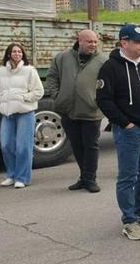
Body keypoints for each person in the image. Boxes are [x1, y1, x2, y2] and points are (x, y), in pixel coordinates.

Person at [97, 24, 140, 241]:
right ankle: (129, 220)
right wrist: (125, 123)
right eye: (138, 41)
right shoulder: (110, 67)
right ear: (124, 43)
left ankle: (139, 209)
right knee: (128, 176)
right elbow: (104, 100)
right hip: (129, 132)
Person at [44, 30, 108, 193]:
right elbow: (52, 77)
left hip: (91, 111)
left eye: (95, 42)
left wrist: (97, 101)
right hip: (68, 110)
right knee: (77, 146)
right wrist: (57, 96)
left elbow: (109, 84)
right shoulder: (62, 58)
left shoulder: (103, 60)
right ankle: (84, 177)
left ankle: (90, 179)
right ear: (79, 41)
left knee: (90, 146)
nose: (93, 45)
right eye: (89, 42)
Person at [0, 43, 44, 189]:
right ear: (8, 54)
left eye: (19, 52)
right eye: (14, 51)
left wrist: (23, 98)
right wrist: (4, 98)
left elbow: (39, 91)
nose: (17, 54)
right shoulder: (2, 71)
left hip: (25, 113)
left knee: (23, 146)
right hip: (7, 113)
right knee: (6, 145)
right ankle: (11, 175)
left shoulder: (29, 70)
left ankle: (22, 178)